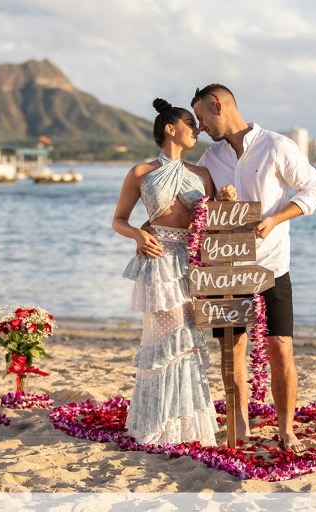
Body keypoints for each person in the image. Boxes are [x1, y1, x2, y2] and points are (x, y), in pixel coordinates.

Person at [191, 84, 316, 453]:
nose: (200, 126)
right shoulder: (209, 159)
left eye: (202, 116)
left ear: (218, 104)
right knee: (232, 349)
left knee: (280, 347)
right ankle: (239, 426)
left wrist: (275, 219)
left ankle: (286, 429)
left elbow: (313, 189)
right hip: (226, 269)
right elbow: (201, 208)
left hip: (272, 265)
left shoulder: (276, 145)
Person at [112, 98, 218, 445]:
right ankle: (159, 426)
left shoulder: (201, 174)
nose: (197, 129)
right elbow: (119, 220)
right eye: (191, 123)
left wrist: (225, 201)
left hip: (192, 262)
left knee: (189, 340)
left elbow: (213, 222)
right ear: (171, 128)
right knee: (167, 338)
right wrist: (139, 234)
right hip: (157, 259)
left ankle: (189, 426)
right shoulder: (141, 173)